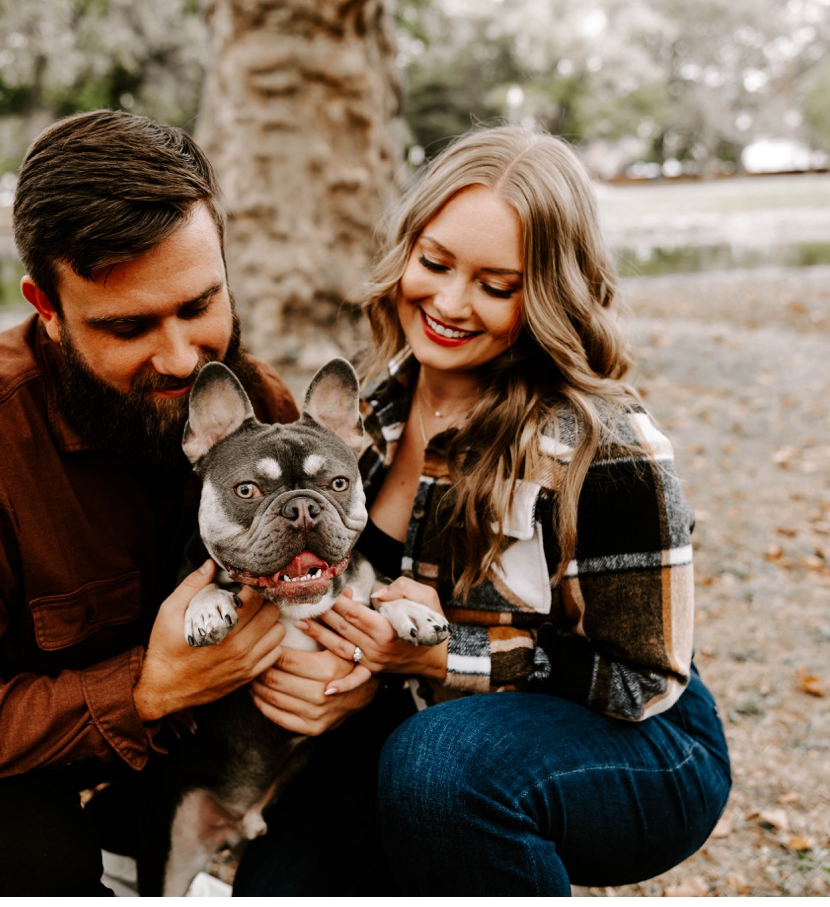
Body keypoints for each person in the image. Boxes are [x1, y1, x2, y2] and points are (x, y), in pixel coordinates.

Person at [0, 109, 385, 895]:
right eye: (128, 325)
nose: (178, 355)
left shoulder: (247, 408)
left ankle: (141, 842)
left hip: (164, 737)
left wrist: (349, 678)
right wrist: (147, 689)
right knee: (23, 862)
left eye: (200, 305)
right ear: (48, 309)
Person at [236, 125, 731, 895]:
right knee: (279, 884)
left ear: (548, 295)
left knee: (439, 769)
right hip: (426, 719)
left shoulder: (608, 448)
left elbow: (643, 681)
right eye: (434, 263)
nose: (450, 302)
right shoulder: (367, 421)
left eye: (497, 286)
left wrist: (441, 656)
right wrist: (348, 671)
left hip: (644, 745)